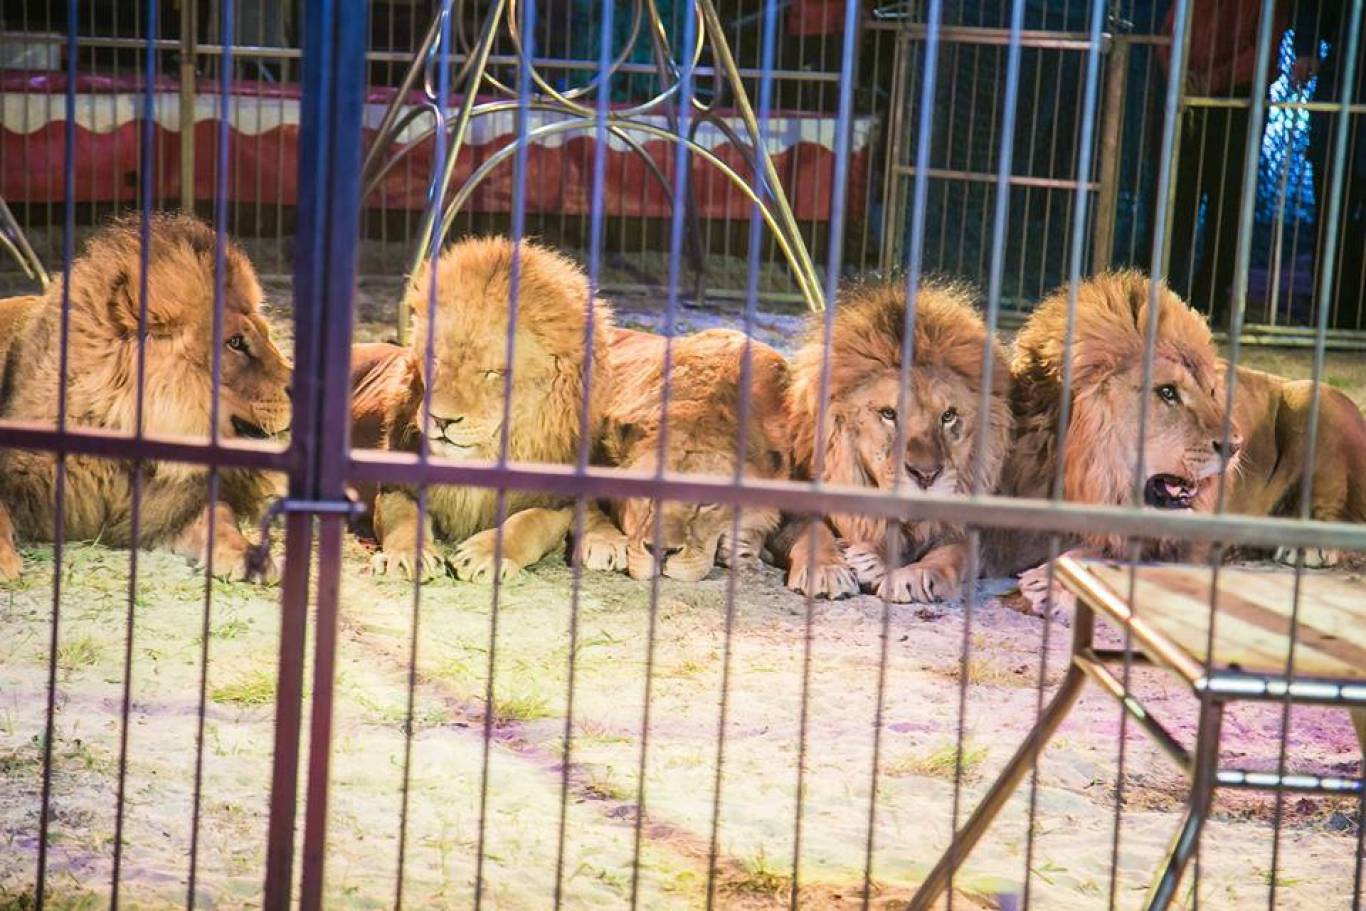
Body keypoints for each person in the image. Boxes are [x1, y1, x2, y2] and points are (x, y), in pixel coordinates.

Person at [1159, 0, 1289, 329]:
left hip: (1233, 100)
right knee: (1177, 205)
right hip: (1193, 96)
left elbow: (1265, 53)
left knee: (1223, 208)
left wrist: (1202, 80)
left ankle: (1204, 307)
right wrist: (1183, 76)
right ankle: (1167, 302)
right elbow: (1168, 35)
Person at [1292, 1, 1366, 329]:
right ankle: (1332, 307)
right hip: (1343, 97)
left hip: (1344, 94)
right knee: (1331, 212)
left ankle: (1344, 308)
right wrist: (1305, 48)